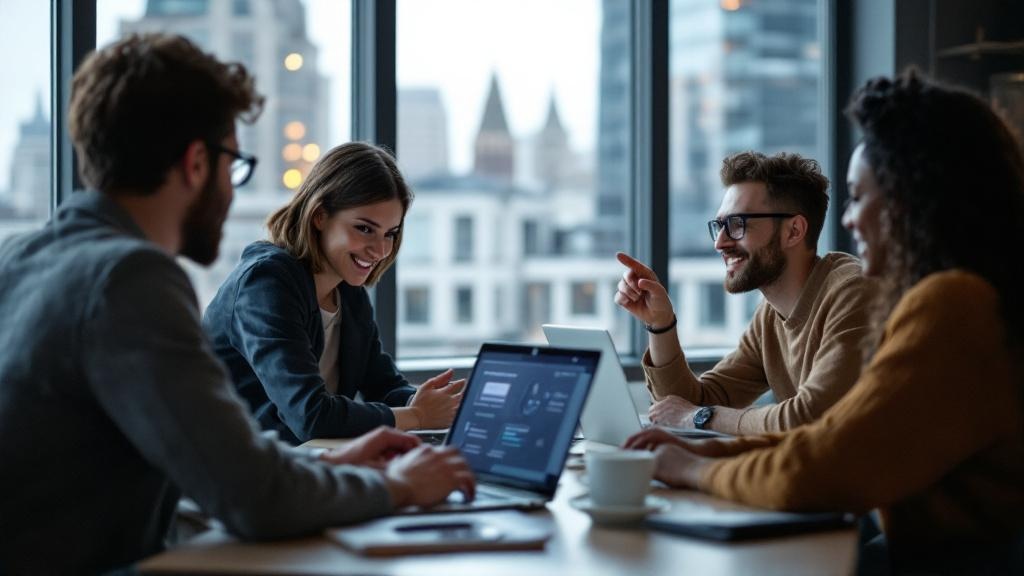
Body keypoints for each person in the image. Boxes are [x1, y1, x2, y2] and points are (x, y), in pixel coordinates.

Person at [0, 33, 474, 573]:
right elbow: (255, 499)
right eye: (234, 164)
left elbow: (199, 468)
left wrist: (337, 466)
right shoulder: (130, 279)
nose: (232, 189)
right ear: (196, 163)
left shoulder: (21, 256)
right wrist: (394, 486)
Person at [626, 69, 1024, 573]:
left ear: (909, 198)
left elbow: (826, 458)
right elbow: (826, 436)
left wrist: (690, 463)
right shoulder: (959, 298)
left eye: (860, 196)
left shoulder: (951, 304)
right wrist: (665, 340)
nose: (850, 219)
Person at [203, 142, 462, 445]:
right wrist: (418, 415)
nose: (380, 250)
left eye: (390, 233)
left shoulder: (348, 293)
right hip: (233, 474)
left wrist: (449, 404)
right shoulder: (265, 283)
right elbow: (310, 415)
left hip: (300, 467)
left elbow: (384, 387)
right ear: (320, 216)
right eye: (365, 229)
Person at [615, 151, 875, 434]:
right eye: (719, 226)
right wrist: (661, 323)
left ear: (794, 231)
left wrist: (698, 416)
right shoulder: (770, 315)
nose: (720, 243)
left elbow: (810, 417)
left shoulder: (853, 293)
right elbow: (686, 404)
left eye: (737, 224)